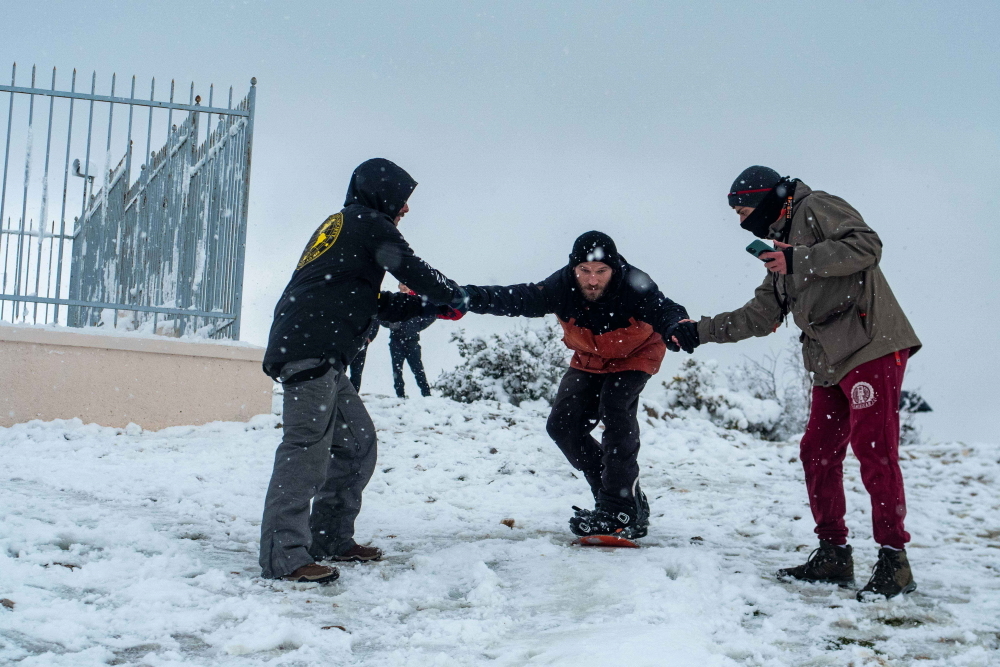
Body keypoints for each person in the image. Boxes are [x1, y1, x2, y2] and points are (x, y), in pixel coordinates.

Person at [693, 165, 921, 601]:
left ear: (764, 199)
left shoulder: (815, 206)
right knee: (817, 450)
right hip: (827, 361)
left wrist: (801, 258)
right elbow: (761, 315)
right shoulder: (778, 251)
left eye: (743, 210)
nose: (741, 222)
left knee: (873, 449)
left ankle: (895, 561)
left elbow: (866, 245)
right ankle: (833, 553)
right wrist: (698, 330)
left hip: (870, 344)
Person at [259, 158, 467, 583]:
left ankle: (331, 536)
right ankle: (284, 556)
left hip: (320, 348)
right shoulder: (368, 222)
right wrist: (451, 295)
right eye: (403, 199)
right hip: (309, 347)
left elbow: (371, 302)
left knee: (357, 445)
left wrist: (431, 305)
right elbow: (410, 267)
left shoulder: (347, 225)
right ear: (382, 191)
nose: (406, 209)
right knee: (305, 452)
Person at [461, 231, 697, 541]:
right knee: (562, 425)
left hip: (636, 354)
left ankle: (619, 509)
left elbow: (666, 309)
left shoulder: (635, 285)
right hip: (591, 355)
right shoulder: (560, 287)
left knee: (615, 408)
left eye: (601, 272)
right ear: (573, 269)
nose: (593, 280)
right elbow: (512, 297)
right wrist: (460, 296)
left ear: (614, 269)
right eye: (584, 271)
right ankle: (615, 500)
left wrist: (677, 326)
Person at [382, 283, 436, 398]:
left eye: (407, 284)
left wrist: (417, 326)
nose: (404, 286)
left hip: (412, 341)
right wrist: (391, 324)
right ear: (398, 286)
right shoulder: (393, 299)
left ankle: (427, 395)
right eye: (402, 284)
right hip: (396, 340)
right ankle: (400, 396)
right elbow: (381, 315)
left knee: (418, 369)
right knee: (397, 370)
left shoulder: (417, 300)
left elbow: (432, 315)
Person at [349, 319, 380, 392]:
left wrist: (369, 338)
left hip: (360, 343)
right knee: (340, 371)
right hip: (346, 343)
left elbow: (376, 321)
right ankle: (338, 396)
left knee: (356, 372)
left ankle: (353, 396)